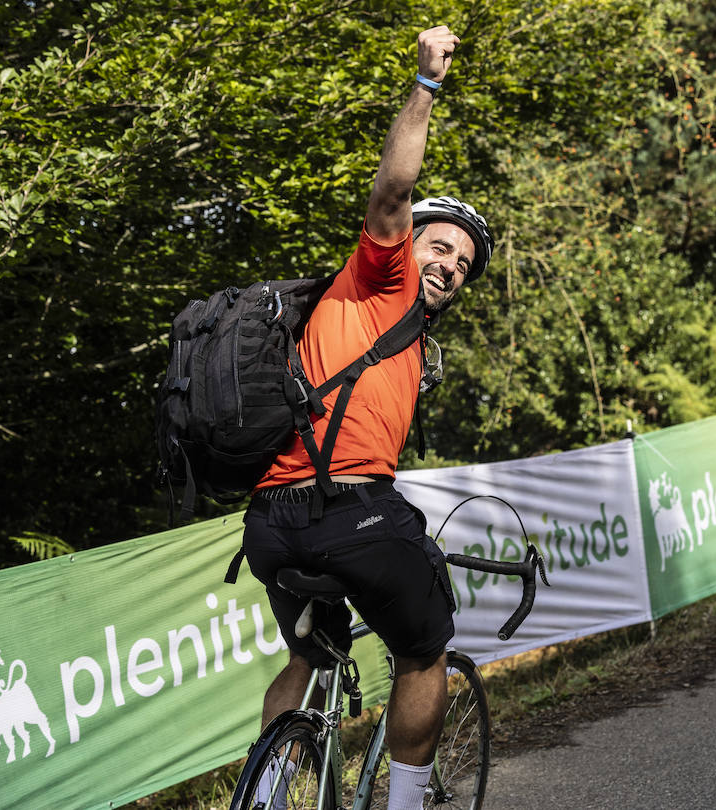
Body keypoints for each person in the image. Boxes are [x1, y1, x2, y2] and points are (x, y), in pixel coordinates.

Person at [240, 24, 493, 810]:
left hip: (271, 525)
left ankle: (273, 790)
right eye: (440, 246)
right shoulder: (381, 277)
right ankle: (410, 802)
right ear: (407, 242)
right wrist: (428, 84)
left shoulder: (399, 335)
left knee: (313, 652)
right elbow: (391, 193)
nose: (449, 263)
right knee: (426, 652)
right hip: (348, 515)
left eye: (463, 262)